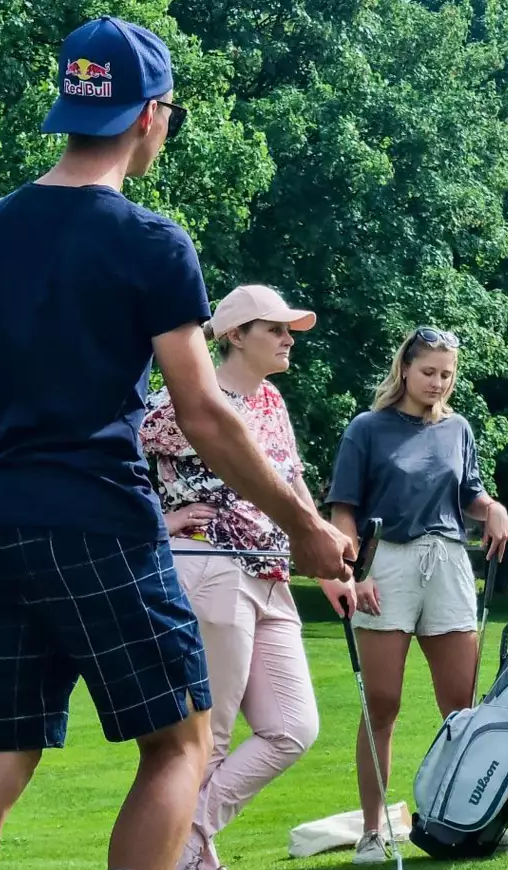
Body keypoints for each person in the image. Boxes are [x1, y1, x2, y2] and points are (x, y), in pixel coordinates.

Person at [0, 16, 354, 870]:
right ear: (151, 116)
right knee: (179, 746)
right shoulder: (152, 242)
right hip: (100, 526)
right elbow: (203, 414)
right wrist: (305, 524)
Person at [324, 326, 508, 864]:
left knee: (463, 707)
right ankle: (373, 832)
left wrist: (496, 509)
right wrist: (354, 570)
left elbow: (472, 495)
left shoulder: (459, 429)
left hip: (448, 562)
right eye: (428, 372)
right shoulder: (367, 429)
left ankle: (477, 820)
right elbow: (342, 509)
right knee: (383, 704)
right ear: (405, 370)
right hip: (385, 562)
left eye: (447, 374)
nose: (438, 382)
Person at [138, 284, 327, 870]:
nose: (287, 338)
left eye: (289, 329)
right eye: (275, 328)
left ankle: (187, 839)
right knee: (207, 739)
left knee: (294, 728)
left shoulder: (270, 401)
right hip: (207, 567)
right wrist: (159, 520)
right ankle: (188, 856)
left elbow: (292, 482)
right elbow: (115, 464)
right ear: (236, 335)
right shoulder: (183, 401)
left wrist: (323, 540)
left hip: (271, 572)